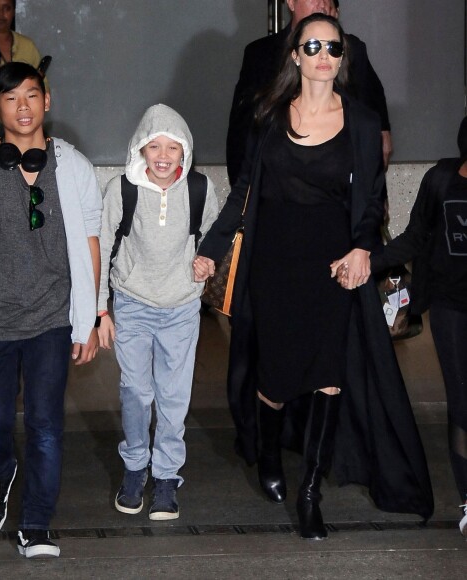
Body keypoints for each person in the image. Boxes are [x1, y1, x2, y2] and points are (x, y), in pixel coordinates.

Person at [195, 13, 433, 540]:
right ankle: (271, 460)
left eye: (334, 47)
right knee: (275, 383)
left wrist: (360, 247)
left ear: (342, 58)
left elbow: (370, 201)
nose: (324, 55)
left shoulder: (364, 121)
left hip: (333, 267)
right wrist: (211, 250)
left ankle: (310, 494)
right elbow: (245, 195)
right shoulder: (268, 115)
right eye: (314, 46)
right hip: (275, 265)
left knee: (329, 376)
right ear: (296, 56)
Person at [0, 62, 102, 558]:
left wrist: (90, 315)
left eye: (32, 95)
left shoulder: (74, 167)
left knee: (46, 424)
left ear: (47, 100)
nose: (23, 106)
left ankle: (36, 523)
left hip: (52, 318)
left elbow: (92, 242)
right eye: (11, 98)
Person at [97, 104, 218, 520]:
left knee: (172, 396)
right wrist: (101, 311)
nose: (163, 155)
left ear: (185, 153)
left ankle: (166, 476)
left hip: (182, 308)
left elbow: (213, 241)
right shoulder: (121, 189)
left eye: (172, 147)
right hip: (132, 303)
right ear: (140, 150)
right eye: (154, 146)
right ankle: (135, 467)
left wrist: (207, 262)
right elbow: (100, 252)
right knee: (135, 391)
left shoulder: (201, 189)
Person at [359, 116, 467, 539]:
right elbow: (416, 236)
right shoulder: (441, 180)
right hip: (450, 307)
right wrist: (367, 259)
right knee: (461, 401)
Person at [226, 0, 392, 187]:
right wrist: (242, 198)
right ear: (290, 2)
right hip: (277, 186)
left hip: (338, 186)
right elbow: (241, 133)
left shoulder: (350, 50)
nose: (322, 4)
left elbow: (373, 113)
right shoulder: (260, 54)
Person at [0, 0, 46, 144]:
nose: (1, 14)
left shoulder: (26, 45)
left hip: (23, 118)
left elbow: (43, 86)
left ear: (14, 11)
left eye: (7, 8)